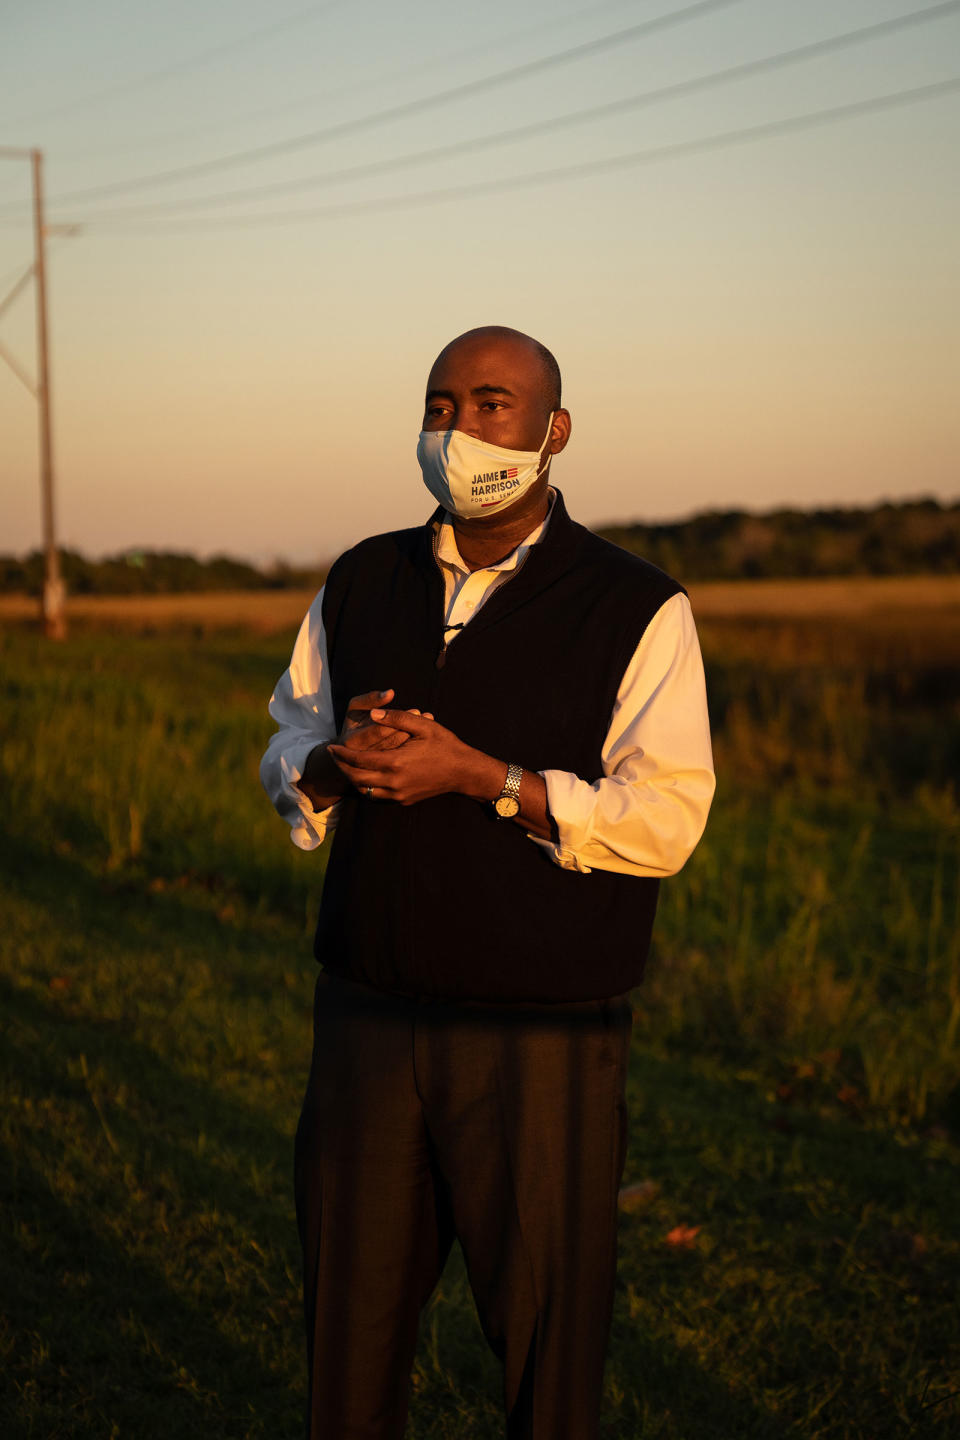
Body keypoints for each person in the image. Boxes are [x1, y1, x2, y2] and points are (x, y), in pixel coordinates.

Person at [260, 325, 715, 1439]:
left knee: (545, 1352)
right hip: (367, 1018)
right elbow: (286, 744)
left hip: (541, 1038)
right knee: (349, 1342)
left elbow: (665, 819)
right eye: (440, 404)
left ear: (554, 432)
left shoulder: (636, 606)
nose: (459, 429)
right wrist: (330, 763)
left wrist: (488, 780)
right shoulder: (364, 579)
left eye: (493, 403)